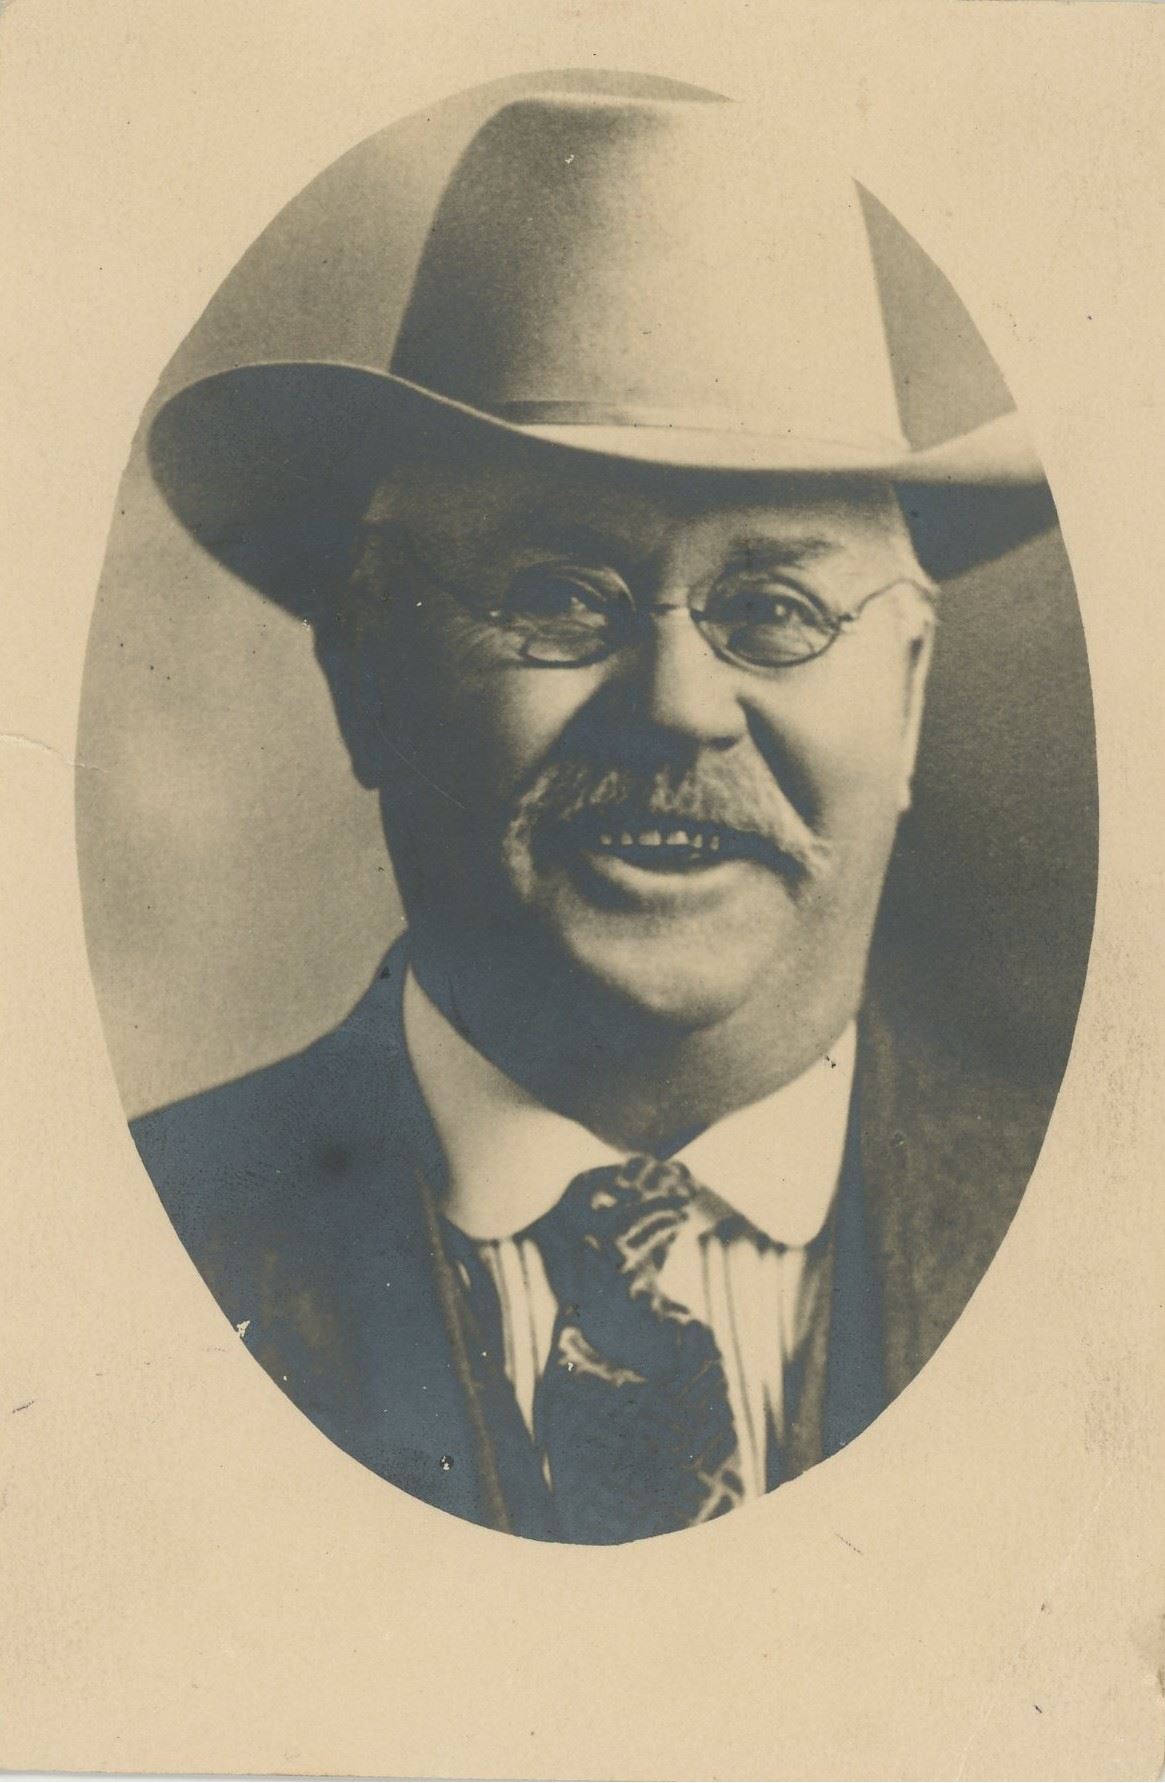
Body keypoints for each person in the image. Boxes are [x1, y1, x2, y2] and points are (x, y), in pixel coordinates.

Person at [134, 92, 1059, 1542]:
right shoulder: (96, 1257)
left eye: (774, 611)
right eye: (557, 597)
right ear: (366, 672)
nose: (678, 706)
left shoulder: (1111, 1246)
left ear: (912, 696)